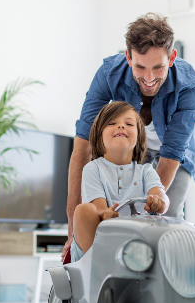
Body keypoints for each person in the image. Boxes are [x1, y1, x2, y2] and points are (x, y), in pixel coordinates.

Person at [62, 12, 195, 261]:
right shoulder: (108, 74)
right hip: (132, 146)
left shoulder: (190, 85)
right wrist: (72, 228)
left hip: (174, 153)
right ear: (128, 57)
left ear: (171, 58)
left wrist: (148, 207)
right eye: (140, 67)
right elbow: (82, 146)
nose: (149, 79)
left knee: (167, 218)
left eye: (158, 67)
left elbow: (171, 154)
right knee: (109, 213)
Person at [70, 101, 169, 262]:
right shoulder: (93, 169)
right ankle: (98, 267)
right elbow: (98, 208)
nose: (121, 126)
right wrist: (104, 214)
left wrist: (160, 202)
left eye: (129, 124)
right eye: (112, 123)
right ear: (99, 135)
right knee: (84, 210)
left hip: (136, 246)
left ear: (139, 136)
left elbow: (160, 194)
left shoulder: (146, 171)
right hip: (99, 242)